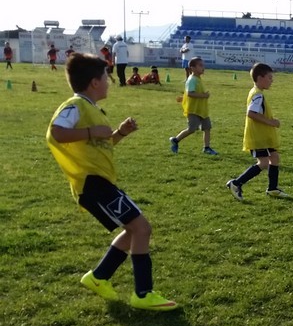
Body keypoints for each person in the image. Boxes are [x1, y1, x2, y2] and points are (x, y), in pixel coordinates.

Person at [45, 53, 177, 310]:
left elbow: (99, 145)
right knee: (141, 229)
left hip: (100, 182)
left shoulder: (91, 108)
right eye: (106, 77)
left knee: (133, 230)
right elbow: (56, 132)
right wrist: (92, 131)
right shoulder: (76, 105)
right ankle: (143, 293)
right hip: (92, 184)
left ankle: (98, 277)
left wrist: (119, 134)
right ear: (94, 82)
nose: (109, 82)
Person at [226, 63, 288, 200]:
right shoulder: (258, 95)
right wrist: (272, 122)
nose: (272, 80)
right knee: (264, 163)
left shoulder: (257, 92)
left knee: (275, 158)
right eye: (269, 77)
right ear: (260, 78)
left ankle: (273, 188)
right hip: (258, 137)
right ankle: (236, 183)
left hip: (264, 136)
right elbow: (251, 113)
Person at [169, 58, 217, 155]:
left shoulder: (198, 79)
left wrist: (183, 97)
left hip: (202, 109)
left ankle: (207, 148)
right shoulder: (192, 79)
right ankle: (176, 140)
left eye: (203, 65)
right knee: (192, 129)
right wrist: (204, 96)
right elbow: (190, 93)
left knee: (207, 128)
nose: (203, 67)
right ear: (193, 68)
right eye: (200, 65)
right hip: (193, 110)